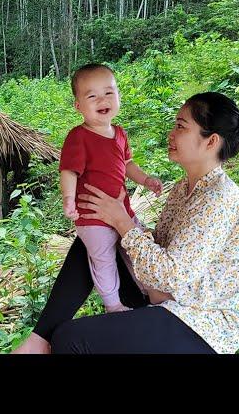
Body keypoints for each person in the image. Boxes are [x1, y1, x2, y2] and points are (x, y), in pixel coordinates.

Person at [13, 91, 239, 354]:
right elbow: (161, 247)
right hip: (165, 297)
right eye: (175, 124)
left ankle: (43, 341)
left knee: (70, 340)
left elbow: (171, 275)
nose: (171, 134)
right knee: (96, 236)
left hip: (204, 321)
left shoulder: (217, 199)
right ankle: (38, 339)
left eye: (181, 126)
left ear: (211, 142)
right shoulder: (183, 187)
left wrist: (122, 221)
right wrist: (114, 221)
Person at [60, 64, 163, 313]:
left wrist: (145, 179)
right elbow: (69, 170)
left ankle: (153, 294)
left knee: (139, 248)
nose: (102, 100)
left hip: (122, 211)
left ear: (118, 96)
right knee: (103, 259)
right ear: (78, 106)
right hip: (93, 217)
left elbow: (127, 163)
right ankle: (113, 305)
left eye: (108, 92)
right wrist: (69, 200)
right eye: (92, 95)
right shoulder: (78, 136)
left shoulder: (119, 133)